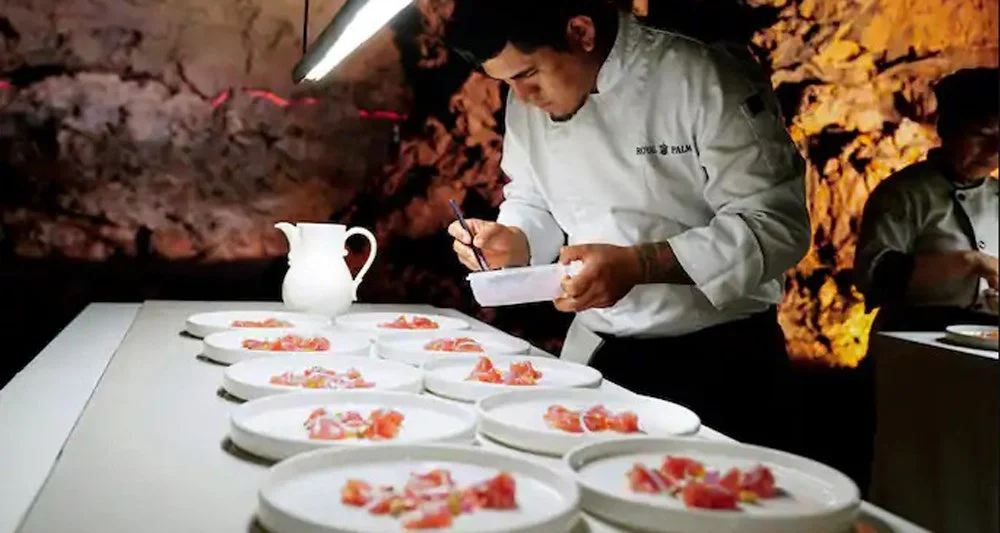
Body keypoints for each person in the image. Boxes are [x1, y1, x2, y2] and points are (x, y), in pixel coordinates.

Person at [443, 0, 811, 449]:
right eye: (505, 83)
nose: (520, 98)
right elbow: (532, 199)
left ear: (580, 32)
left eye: (526, 76)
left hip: (720, 359)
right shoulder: (526, 101)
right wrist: (513, 239)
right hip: (600, 354)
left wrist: (641, 264)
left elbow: (774, 223)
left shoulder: (701, 75)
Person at [855, 67, 999, 330]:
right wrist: (968, 263)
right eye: (982, 134)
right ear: (948, 130)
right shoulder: (904, 194)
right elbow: (874, 278)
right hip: (913, 336)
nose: (994, 151)